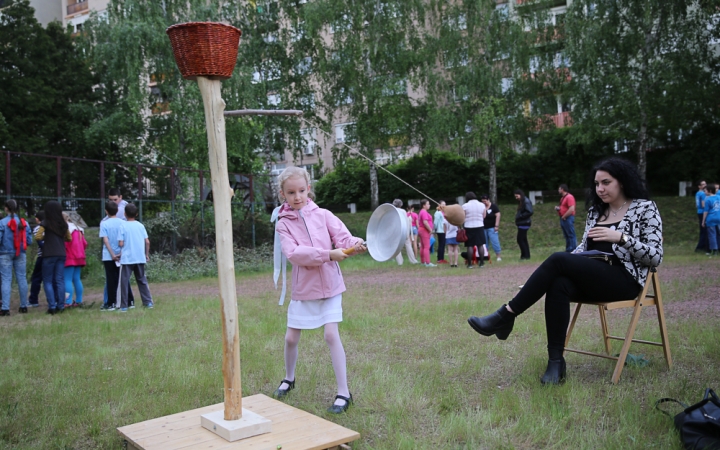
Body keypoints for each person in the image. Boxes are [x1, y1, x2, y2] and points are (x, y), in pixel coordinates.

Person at [468, 157, 663, 385]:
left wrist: (621, 237)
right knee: (558, 282)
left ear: (622, 181)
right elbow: (583, 249)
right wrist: (547, 274)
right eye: (597, 184)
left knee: (559, 259)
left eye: (606, 183)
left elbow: (655, 256)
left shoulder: (644, 209)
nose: (600, 189)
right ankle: (556, 363)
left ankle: (506, 315)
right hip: (594, 278)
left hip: (624, 281)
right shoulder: (596, 212)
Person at [272, 166, 365, 414]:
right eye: (291, 192)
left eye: (301, 190)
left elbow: (343, 237)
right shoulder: (283, 224)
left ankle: (344, 393)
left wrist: (355, 243)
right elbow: (294, 254)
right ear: (283, 194)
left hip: (331, 286)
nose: (297, 196)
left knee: (331, 335)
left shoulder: (323, 214)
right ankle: (289, 379)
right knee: (291, 337)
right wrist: (327, 254)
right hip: (305, 288)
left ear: (309, 189)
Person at [34, 200, 71, 315]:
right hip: (61, 253)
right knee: (59, 280)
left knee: (48, 280)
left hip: (48, 254)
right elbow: (69, 238)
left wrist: (47, 238)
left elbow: (38, 236)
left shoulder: (45, 223)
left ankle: (52, 307)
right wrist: (60, 239)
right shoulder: (63, 224)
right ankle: (61, 306)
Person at [0, 200, 33, 315]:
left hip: (4, 253)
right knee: (22, 278)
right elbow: (29, 240)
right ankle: (23, 306)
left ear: (6, 208)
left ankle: (5, 308)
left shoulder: (2, 223)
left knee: (6, 280)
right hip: (21, 253)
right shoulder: (24, 222)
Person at [118, 204, 154, 311]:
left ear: (125, 214)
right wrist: (146, 254)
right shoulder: (140, 226)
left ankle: (124, 306)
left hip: (127, 258)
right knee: (142, 280)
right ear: (137, 214)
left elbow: (120, 243)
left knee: (124, 281)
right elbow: (147, 241)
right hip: (139, 257)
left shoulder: (123, 226)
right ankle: (148, 302)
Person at [99, 201, 124, 311]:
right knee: (120, 279)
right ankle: (121, 302)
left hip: (108, 256)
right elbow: (124, 240)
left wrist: (112, 254)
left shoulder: (104, 223)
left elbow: (105, 240)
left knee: (110, 279)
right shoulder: (122, 223)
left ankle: (111, 303)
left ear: (106, 211)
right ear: (117, 211)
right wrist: (120, 253)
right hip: (121, 255)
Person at [63, 212, 88, 308]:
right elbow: (85, 243)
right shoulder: (79, 229)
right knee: (77, 279)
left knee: (67, 280)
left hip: (69, 257)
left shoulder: (66, 229)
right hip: (80, 257)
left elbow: (65, 244)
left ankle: (68, 301)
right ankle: (79, 300)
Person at [461, 192, 486, 268]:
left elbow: (463, 216)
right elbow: (484, 215)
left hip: (469, 226)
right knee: (480, 245)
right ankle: (481, 263)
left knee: (470, 245)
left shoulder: (465, 206)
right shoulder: (482, 205)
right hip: (479, 225)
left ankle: (470, 264)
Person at [393, 199, 418, 265]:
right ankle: (413, 260)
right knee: (408, 245)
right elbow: (405, 221)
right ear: (400, 205)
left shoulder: (393, 211)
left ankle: (400, 262)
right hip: (404, 231)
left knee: (397, 247)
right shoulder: (403, 211)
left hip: (396, 231)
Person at [28, 211, 45, 308]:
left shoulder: (37, 229)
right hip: (53, 255)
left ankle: (33, 300)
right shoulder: (51, 226)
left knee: (36, 278)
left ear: (37, 219)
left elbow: (40, 243)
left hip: (42, 256)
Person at [556, 184, 577, 252]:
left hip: (568, 218)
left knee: (571, 234)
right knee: (566, 235)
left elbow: (571, 209)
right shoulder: (562, 198)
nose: (558, 190)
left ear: (562, 189)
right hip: (563, 218)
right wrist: (559, 209)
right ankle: (568, 249)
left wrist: (564, 216)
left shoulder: (569, 197)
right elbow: (564, 207)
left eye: (559, 189)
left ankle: (573, 249)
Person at [480, 194, 502, 262]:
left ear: (488, 200)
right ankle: (486, 256)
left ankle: (498, 256)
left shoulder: (493, 206)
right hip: (483, 228)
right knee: (484, 243)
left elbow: (498, 215)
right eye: (482, 201)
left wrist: (496, 225)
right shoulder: (481, 207)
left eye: (485, 201)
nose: (484, 203)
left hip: (492, 227)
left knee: (495, 242)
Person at [514, 189, 533, 260]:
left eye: (517, 196)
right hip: (522, 223)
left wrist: (520, 216)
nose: (516, 198)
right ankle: (526, 255)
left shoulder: (526, 201)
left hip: (524, 223)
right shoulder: (523, 201)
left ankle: (524, 255)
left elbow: (530, 211)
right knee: (523, 239)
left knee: (520, 239)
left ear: (520, 194)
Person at [702, 183, 719, 256]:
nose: (704, 192)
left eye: (705, 190)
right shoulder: (719, 197)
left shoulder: (708, 200)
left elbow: (706, 211)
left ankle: (714, 250)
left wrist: (703, 221)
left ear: (710, 191)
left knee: (712, 235)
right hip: (719, 217)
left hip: (711, 219)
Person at [418, 199, 435, 267]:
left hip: (421, 230)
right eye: (428, 204)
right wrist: (430, 230)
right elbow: (425, 222)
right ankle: (428, 262)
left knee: (423, 246)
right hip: (424, 230)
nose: (429, 205)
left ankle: (423, 262)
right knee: (426, 247)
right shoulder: (424, 212)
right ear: (424, 205)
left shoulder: (422, 211)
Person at [695, 180, 708, 253]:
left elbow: (696, 205)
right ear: (699, 186)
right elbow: (703, 204)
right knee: (704, 230)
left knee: (702, 230)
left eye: (705, 184)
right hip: (703, 212)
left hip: (699, 211)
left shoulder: (697, 193)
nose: (705, 185)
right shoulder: (703, 194)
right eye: (703, 184)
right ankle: (701, 246)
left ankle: (701, 246)